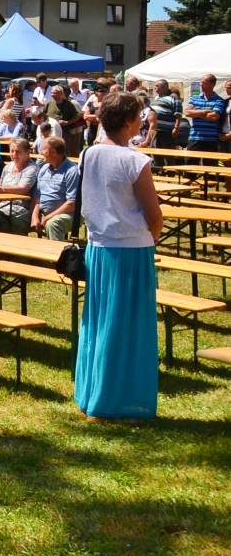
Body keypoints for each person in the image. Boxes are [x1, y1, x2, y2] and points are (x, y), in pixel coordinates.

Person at [74, 92, 164, 422]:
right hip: (130, 249)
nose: (141, 121)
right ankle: (117, 402)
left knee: (100, 323)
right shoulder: (134, 161)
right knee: (127, 328)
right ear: (128, 121)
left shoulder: (88, 154)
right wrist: (153, 236)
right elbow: (154, 214)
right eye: (138, 116)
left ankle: (93, 394)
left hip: (99, 248)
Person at [33, 136, 80, 241]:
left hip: (68, 214)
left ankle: (56, 252)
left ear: (53, 152)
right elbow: (38, 198)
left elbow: (72, 203)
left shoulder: (72, 171)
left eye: (43, 150)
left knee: (53, 224)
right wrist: (34, 217)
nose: (41, 153)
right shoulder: (44, 169)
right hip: (44, 213)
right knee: (16, 218)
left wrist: (48, 217)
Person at [185, 73, 225, 152]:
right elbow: (187, 113)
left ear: (212, 85)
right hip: (194, 137)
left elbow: (213, 117)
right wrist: (205, 111)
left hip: (211, 139)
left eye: (204, 83)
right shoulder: (194, 98)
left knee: (210, 160)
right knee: (190, 160)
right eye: (201, 82)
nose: (200, 84)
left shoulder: (219, 100)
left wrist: (195, 113)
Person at [46, 84, 86, 157]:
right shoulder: (49, 103)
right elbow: (44, 115)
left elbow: (77, 117)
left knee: (65, 152)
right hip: (51, 132)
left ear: (61, 94)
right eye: (51, 93)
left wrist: (67, 122)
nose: (52, 95)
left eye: (54, 93)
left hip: (65, 133)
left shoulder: (69, 104)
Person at [149, 80, 182, 150]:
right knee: (155, 153)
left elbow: (178, 113)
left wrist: (176, 128)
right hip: (155, 131)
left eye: (157, 86)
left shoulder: (173, 97)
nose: (155, 88)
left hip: (167, 132)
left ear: (165, 87)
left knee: (167, 153)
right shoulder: (156, 98)